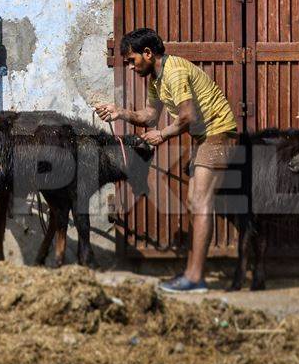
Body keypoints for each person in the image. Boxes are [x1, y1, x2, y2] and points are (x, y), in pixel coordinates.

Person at [94, 27, 237, 292]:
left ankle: (194, 277)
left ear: (148, 53)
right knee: (196, 202)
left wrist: (162, 134)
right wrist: (119, 112)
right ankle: (194, 275)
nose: (129, 66)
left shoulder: (174, 72)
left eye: (131, 60)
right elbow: (149, 115)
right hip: (204, 137)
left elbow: (187, 117)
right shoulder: (157, 79)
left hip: (218, 133)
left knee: (200, 202)